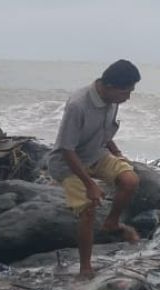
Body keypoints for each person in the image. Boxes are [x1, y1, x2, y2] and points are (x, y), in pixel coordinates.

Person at [48, 60, 142, 277]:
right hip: (68, 162)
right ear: (109, 86)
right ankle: (85, 268)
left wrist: (117, 153)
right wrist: (89, 184)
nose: (127, 97)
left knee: (130, 180)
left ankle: (111, 222)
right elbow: (66, 148)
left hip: (96, 154)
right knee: (88, 209)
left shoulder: (112, 101)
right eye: (126, 92)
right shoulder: (78, 105)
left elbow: (104, 132)